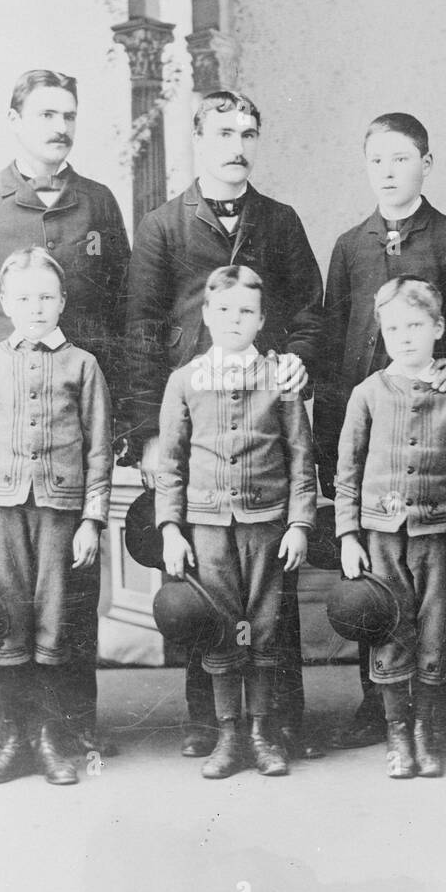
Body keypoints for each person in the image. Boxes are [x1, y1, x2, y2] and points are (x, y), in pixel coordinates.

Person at [0, 69, 130, 755]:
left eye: (70, 114)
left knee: (71, 594)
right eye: (45, 113)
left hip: (77, 422)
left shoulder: (99, 202)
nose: (60, 126)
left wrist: (122, 419)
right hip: (3, 422)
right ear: (14, 118)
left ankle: (71, 736)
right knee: (13, 597)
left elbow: (124, 312)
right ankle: (18, 736)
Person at [122, 90, 325, 759]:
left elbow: (312, 314)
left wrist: (296, 360)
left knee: (269, 583)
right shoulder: (162, 226)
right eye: (223, 133)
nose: (237, 146)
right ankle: (206, 722)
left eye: (249, 133)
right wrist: (151, 432)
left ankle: (279, 719)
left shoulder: (281, 220)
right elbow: (143, 332)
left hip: (262, 419)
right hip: (194, 423)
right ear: (198, 141)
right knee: (200, 580)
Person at [315, 112, 446, 745]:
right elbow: (332, 343)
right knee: (377, 576)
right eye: (377, 161)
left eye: (401, 159)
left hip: (432, 442)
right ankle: (380, 707)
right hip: (368, 437)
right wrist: (332, 436)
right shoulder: (350, 244)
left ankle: (441, 712)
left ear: (427, 162)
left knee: (433, 585)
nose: (389, 172)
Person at [0, 248, 114, 786]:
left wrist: (92, 518)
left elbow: (98, 450)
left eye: (47, 296)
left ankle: (50, 740)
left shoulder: (83, 365)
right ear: (4, 303)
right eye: (24, 298)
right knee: (9, 618)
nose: (36, 307)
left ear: (63, 301)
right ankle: (13, 740)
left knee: (53, 619)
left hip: (60, 511)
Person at [156, 266, 317, 779]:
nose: (234, 320)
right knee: (224, 628)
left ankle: (262, 733)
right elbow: (172, 464)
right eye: (223, 310)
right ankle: (227, 734)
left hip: (266, 524)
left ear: (262, 319)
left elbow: (301, 459)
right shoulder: (184, 380)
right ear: (205, 315)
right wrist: (171, 529)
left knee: (264, 627)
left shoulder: (280, 379)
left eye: (246, 311)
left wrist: (299, 524)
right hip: (207, 527)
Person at [334, 277, 446, 778]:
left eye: (416, 325)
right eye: (394, 326)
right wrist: (348, 536)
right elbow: (347, 473)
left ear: (439, 328)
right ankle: (397, 732)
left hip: (437, 537)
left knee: (434, 631)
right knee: (390, 628)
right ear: (381, 329)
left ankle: (426, 731)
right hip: (380, 536)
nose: (404, 336)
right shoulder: (368, 393)